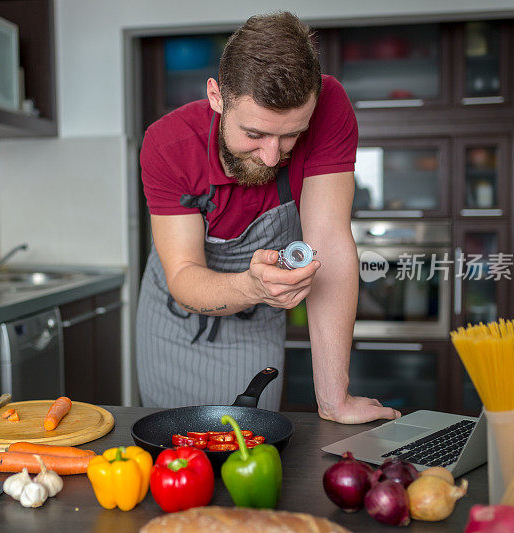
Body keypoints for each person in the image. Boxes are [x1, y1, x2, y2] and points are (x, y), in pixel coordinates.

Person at [136, 11, 400, 424]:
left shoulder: (331, 107)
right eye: (255, 134)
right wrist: (249, 284)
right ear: (217, 97)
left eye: (292, 134)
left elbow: (328, 242)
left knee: (251, 434)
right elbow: (185, 272)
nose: (273, 156)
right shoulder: (167, 144)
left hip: (257, 318)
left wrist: (334, 399)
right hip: (175, 314)